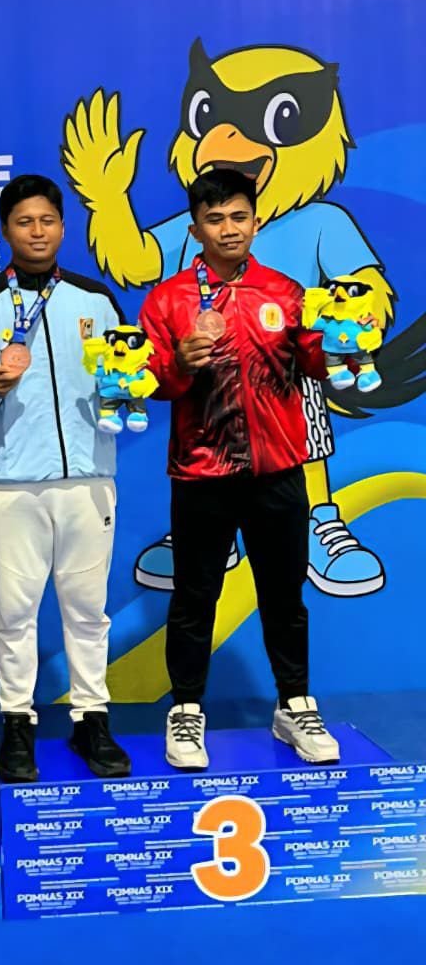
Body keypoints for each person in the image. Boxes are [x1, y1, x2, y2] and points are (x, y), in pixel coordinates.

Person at [138, 169, 341, 770]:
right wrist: (179, 362)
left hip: (279, 470)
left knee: (285, 596)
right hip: (202, 473)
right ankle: (186, 710)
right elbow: (149, 383)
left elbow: (318, 364)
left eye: (238, 217)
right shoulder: (168, 300)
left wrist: (345, 337)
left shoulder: (286, 292)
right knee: (194, 597)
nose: (229, 229)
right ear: (195, 229)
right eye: (215, 219)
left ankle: (294, 703)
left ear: (256, 221)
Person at [0, 174, 132, 783]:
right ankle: (16, 723)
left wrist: (127, 389)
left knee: (88, 610)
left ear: (63, 227)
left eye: (47, 220)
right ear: (5, 230)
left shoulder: (95, 300)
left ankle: (91, 719)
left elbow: (127, 369)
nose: (37, 232)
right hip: (11, 483)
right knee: (15, 614)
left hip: (87, 479)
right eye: (24, 222)